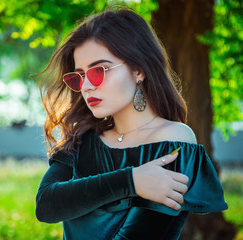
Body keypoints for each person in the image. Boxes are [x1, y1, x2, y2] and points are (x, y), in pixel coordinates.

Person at [35, 6, 227, 240]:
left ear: (138, 70)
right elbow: (46, 205)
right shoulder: (82, 137)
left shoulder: (174, 139)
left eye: (99, 70)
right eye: (80, 75)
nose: (86, 86)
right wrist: (131, 181)